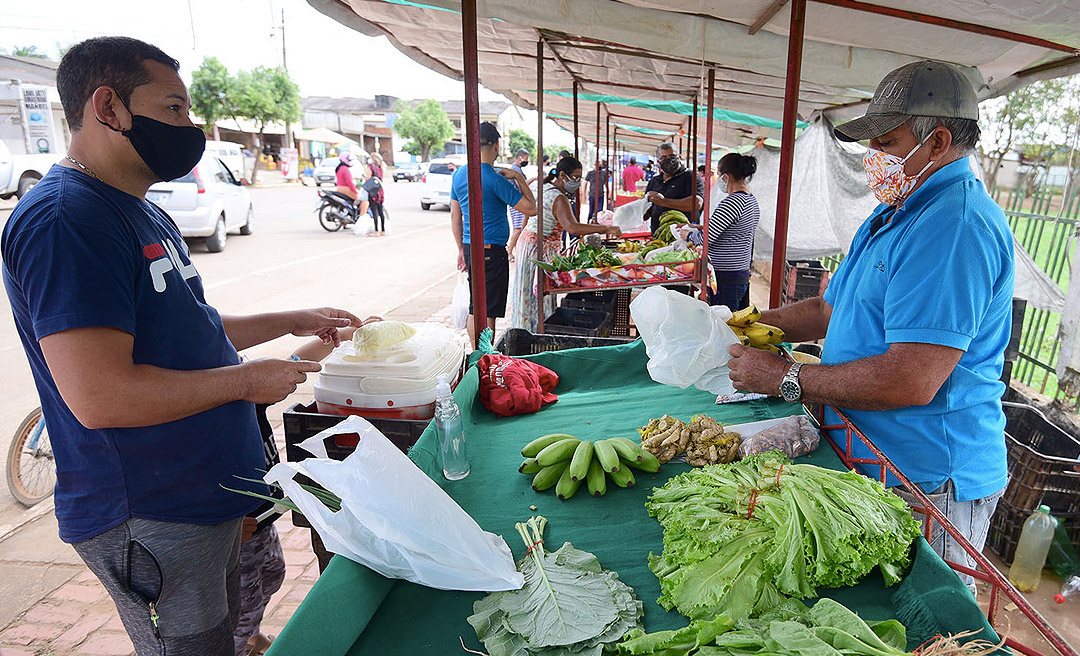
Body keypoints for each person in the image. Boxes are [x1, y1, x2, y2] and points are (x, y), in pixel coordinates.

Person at [1, 37, 361, 656]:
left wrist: (291, 318)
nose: (188, 128)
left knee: (224, 640)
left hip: (202, 496)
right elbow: (101, 396)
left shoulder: (141, 208)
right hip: (151, 513)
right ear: (108, 107)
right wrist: (249, 382)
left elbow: (188, 325)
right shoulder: (68, 220)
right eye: (173, 109)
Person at [726, 60, 1013, 595]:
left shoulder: (954, 226)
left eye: (888, 142)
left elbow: (911, 379)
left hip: (927, 477)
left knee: (926, 619)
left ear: (937, 141)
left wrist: (786, 377)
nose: (875, 158)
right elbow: (828, 310)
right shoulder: (893, 213)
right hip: (871, 452)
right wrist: (749, 324)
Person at [508, 156, 621, 332]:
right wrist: (606, 229)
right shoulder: (559, 198)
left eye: (579, 178)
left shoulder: (542, 188)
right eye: (575, 177)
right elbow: (573, 228)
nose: (577, 182)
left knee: (527, 291)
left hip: (528, 243)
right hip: (539, 249)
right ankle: (536, 332)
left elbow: (527, 214)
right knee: (539, 293)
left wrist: (521, 238)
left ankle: (525, 329)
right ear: (562, 175)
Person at [450, 122, 537, 343]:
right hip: (492, 251)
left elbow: (455, 216)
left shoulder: (460, 175)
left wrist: (461, 248)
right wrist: (518, 178)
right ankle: (485, 355)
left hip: (471, 248)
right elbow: (532, 208)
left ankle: (477, 352)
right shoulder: (495, 179)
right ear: (497, 146)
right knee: (488, 311)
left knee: (475, 306)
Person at [705, 153, 759, 311]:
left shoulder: (732, 202)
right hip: (739, 275)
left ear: (726, 177)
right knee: (734, 324)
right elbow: (734, 232)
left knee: (724, 327)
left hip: (726, 278)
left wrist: (687, 234)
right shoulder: (751, 200)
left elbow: (705, 239)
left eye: (719, 175)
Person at [644, 141, 705, 234]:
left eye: (672, 156)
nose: (669, 160)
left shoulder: (691, 177)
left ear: (679, 157)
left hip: (685, 236)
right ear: (658, 161)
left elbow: (696, 203)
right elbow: (648, 208)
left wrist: (663, 201)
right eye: (664, 157)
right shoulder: (654, 181)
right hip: (658, 235)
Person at [507, 148, 531, 259]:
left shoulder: (517, 169)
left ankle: (515, 250)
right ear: (520, 157)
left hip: (517, 202)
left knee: (520, 227)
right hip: (516, 202)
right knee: (518, 228)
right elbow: (522, 185)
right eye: (526, 159)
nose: (527, 161)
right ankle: (509, 251)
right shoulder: (515, 170)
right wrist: (534, 179)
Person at [335, 151, 369, 219]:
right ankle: (362, 218)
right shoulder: (345, 169)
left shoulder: (339, 168)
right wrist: (355, 191)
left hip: (339, 188)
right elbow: (349, 182)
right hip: (346, 189)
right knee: (364, 200)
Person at [368, 152, 387, 236]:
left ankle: (376, 231)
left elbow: (368, 178)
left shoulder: (371, 166)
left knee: (374, 211)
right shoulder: (381, 167)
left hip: (373, 191)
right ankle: (383, 230)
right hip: (380, 190)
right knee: (380, 212)